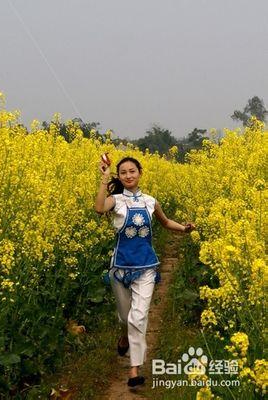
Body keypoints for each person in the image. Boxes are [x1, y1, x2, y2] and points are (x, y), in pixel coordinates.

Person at [94, 154, 196, 388]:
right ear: (119, 177)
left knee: (138, 317)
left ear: (140, 173)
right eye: (123, 173)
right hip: (120, 268)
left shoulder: (150, 201)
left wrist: (184, 229)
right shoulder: (116, 200)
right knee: (125, 317)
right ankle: (123, 337)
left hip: (146, 267)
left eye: (132, 171)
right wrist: (104, 178)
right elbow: (99, 208)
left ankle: (134, 371)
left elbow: (166, 222)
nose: (128, 176)